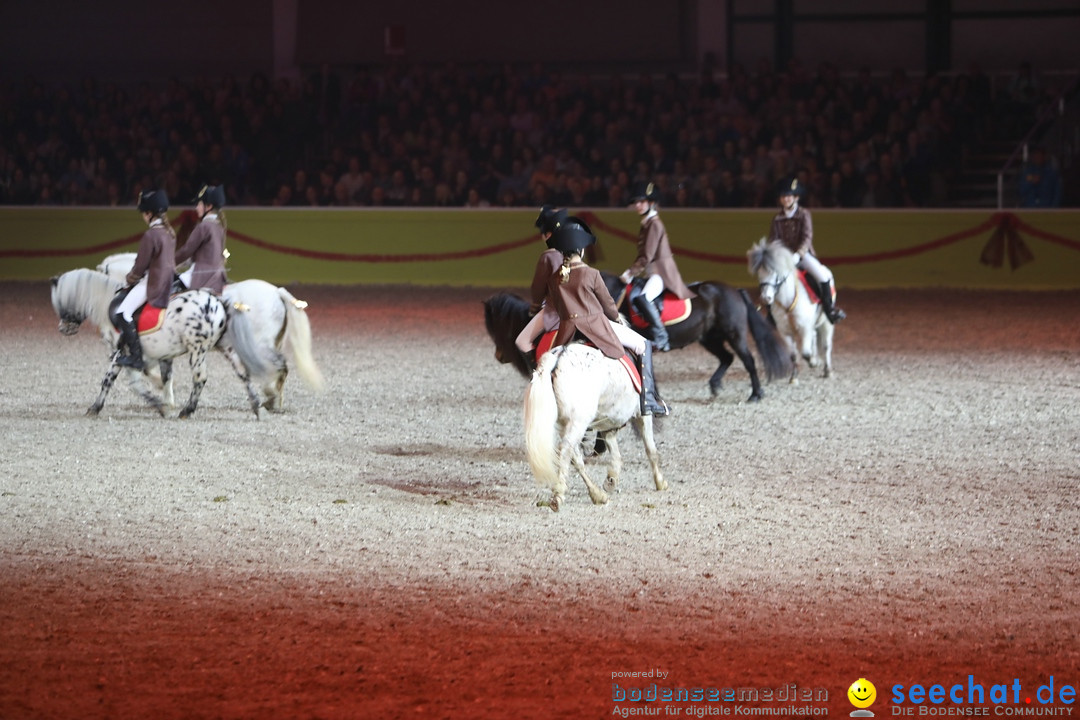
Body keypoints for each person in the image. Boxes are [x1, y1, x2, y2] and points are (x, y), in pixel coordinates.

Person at [546, 221, 669, 417]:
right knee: (643, 344)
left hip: (567, 330)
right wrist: (616, 319)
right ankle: (649, 400)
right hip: (596, 326)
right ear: (581, 250)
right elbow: (608, 305)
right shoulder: (591, 274)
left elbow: (558, 308)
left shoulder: (554, 278)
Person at [619, 180, 695, 352]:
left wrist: (630, 272)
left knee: (643, 297)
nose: (637, 205)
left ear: (651, 203)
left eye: (641, 202)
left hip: (662, 273)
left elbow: (647, 256)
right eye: (636, 202)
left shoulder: (654, 224)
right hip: (652, 272)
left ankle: (661, 337)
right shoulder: (647, 223)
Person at [769, 177, 846, 323]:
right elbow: (774, 239)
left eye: (788, 196)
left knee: (823, 276)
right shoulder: (777, 218)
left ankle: (829, 310)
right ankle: (771, 314)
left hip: (803, 256)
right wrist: (776, 254)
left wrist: (799, 254)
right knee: (768, 278)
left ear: (796, 198)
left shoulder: (804, 214)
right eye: (783, 197)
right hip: (783, 258)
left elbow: (807, 237)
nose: (785, 199)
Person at [113, 189, 176, 369]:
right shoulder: (169, 232)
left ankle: (136, 357)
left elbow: (140, 267)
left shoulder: (151, 235)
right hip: (169, 281)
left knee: (123, 312)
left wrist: (128, 281)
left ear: (149, 214)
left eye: (143, 213)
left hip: (154, 283)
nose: (143, 216)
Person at [515, 205, 568, 355]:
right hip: (579, 307)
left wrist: (534, 307)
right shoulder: (574, 252)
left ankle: (539, 374)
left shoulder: (549, 256)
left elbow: (537, 289)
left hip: (556, 310)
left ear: (548, 235)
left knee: (522, 341)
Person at [176, 184, 229, 293]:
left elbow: (187, 250)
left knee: (170, 289)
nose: (196, 208)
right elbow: (223, 252)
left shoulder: (203, 226)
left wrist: (170, 262)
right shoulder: (219, 226)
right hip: (218, 277)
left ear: (208, 206)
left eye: (199, 204)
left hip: (202, 275)